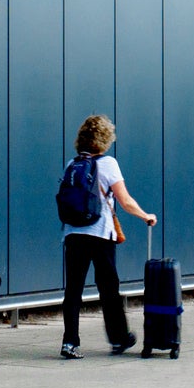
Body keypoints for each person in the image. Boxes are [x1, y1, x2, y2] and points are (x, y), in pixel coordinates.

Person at [59, 114, 155, 360]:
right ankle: (119, 338)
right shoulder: (108, 163)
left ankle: (70, 343)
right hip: (100, 235)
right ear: (104, 139)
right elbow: (125, 201)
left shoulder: (72, 163)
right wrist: (145, 216)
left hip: (73, 234)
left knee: (73, 290)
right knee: (109, 289)